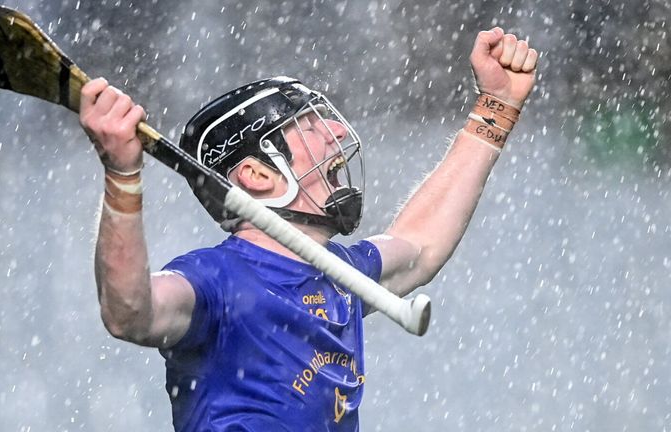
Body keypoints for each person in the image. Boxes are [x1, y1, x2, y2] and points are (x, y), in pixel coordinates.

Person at [78, 27, 538, 431]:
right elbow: (129, 313)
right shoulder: (216, 280)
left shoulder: (341, 276)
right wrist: (122, 175)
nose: (336, 130)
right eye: (311, 126)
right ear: (258, 175)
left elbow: (419, 244)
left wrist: (496, 108)